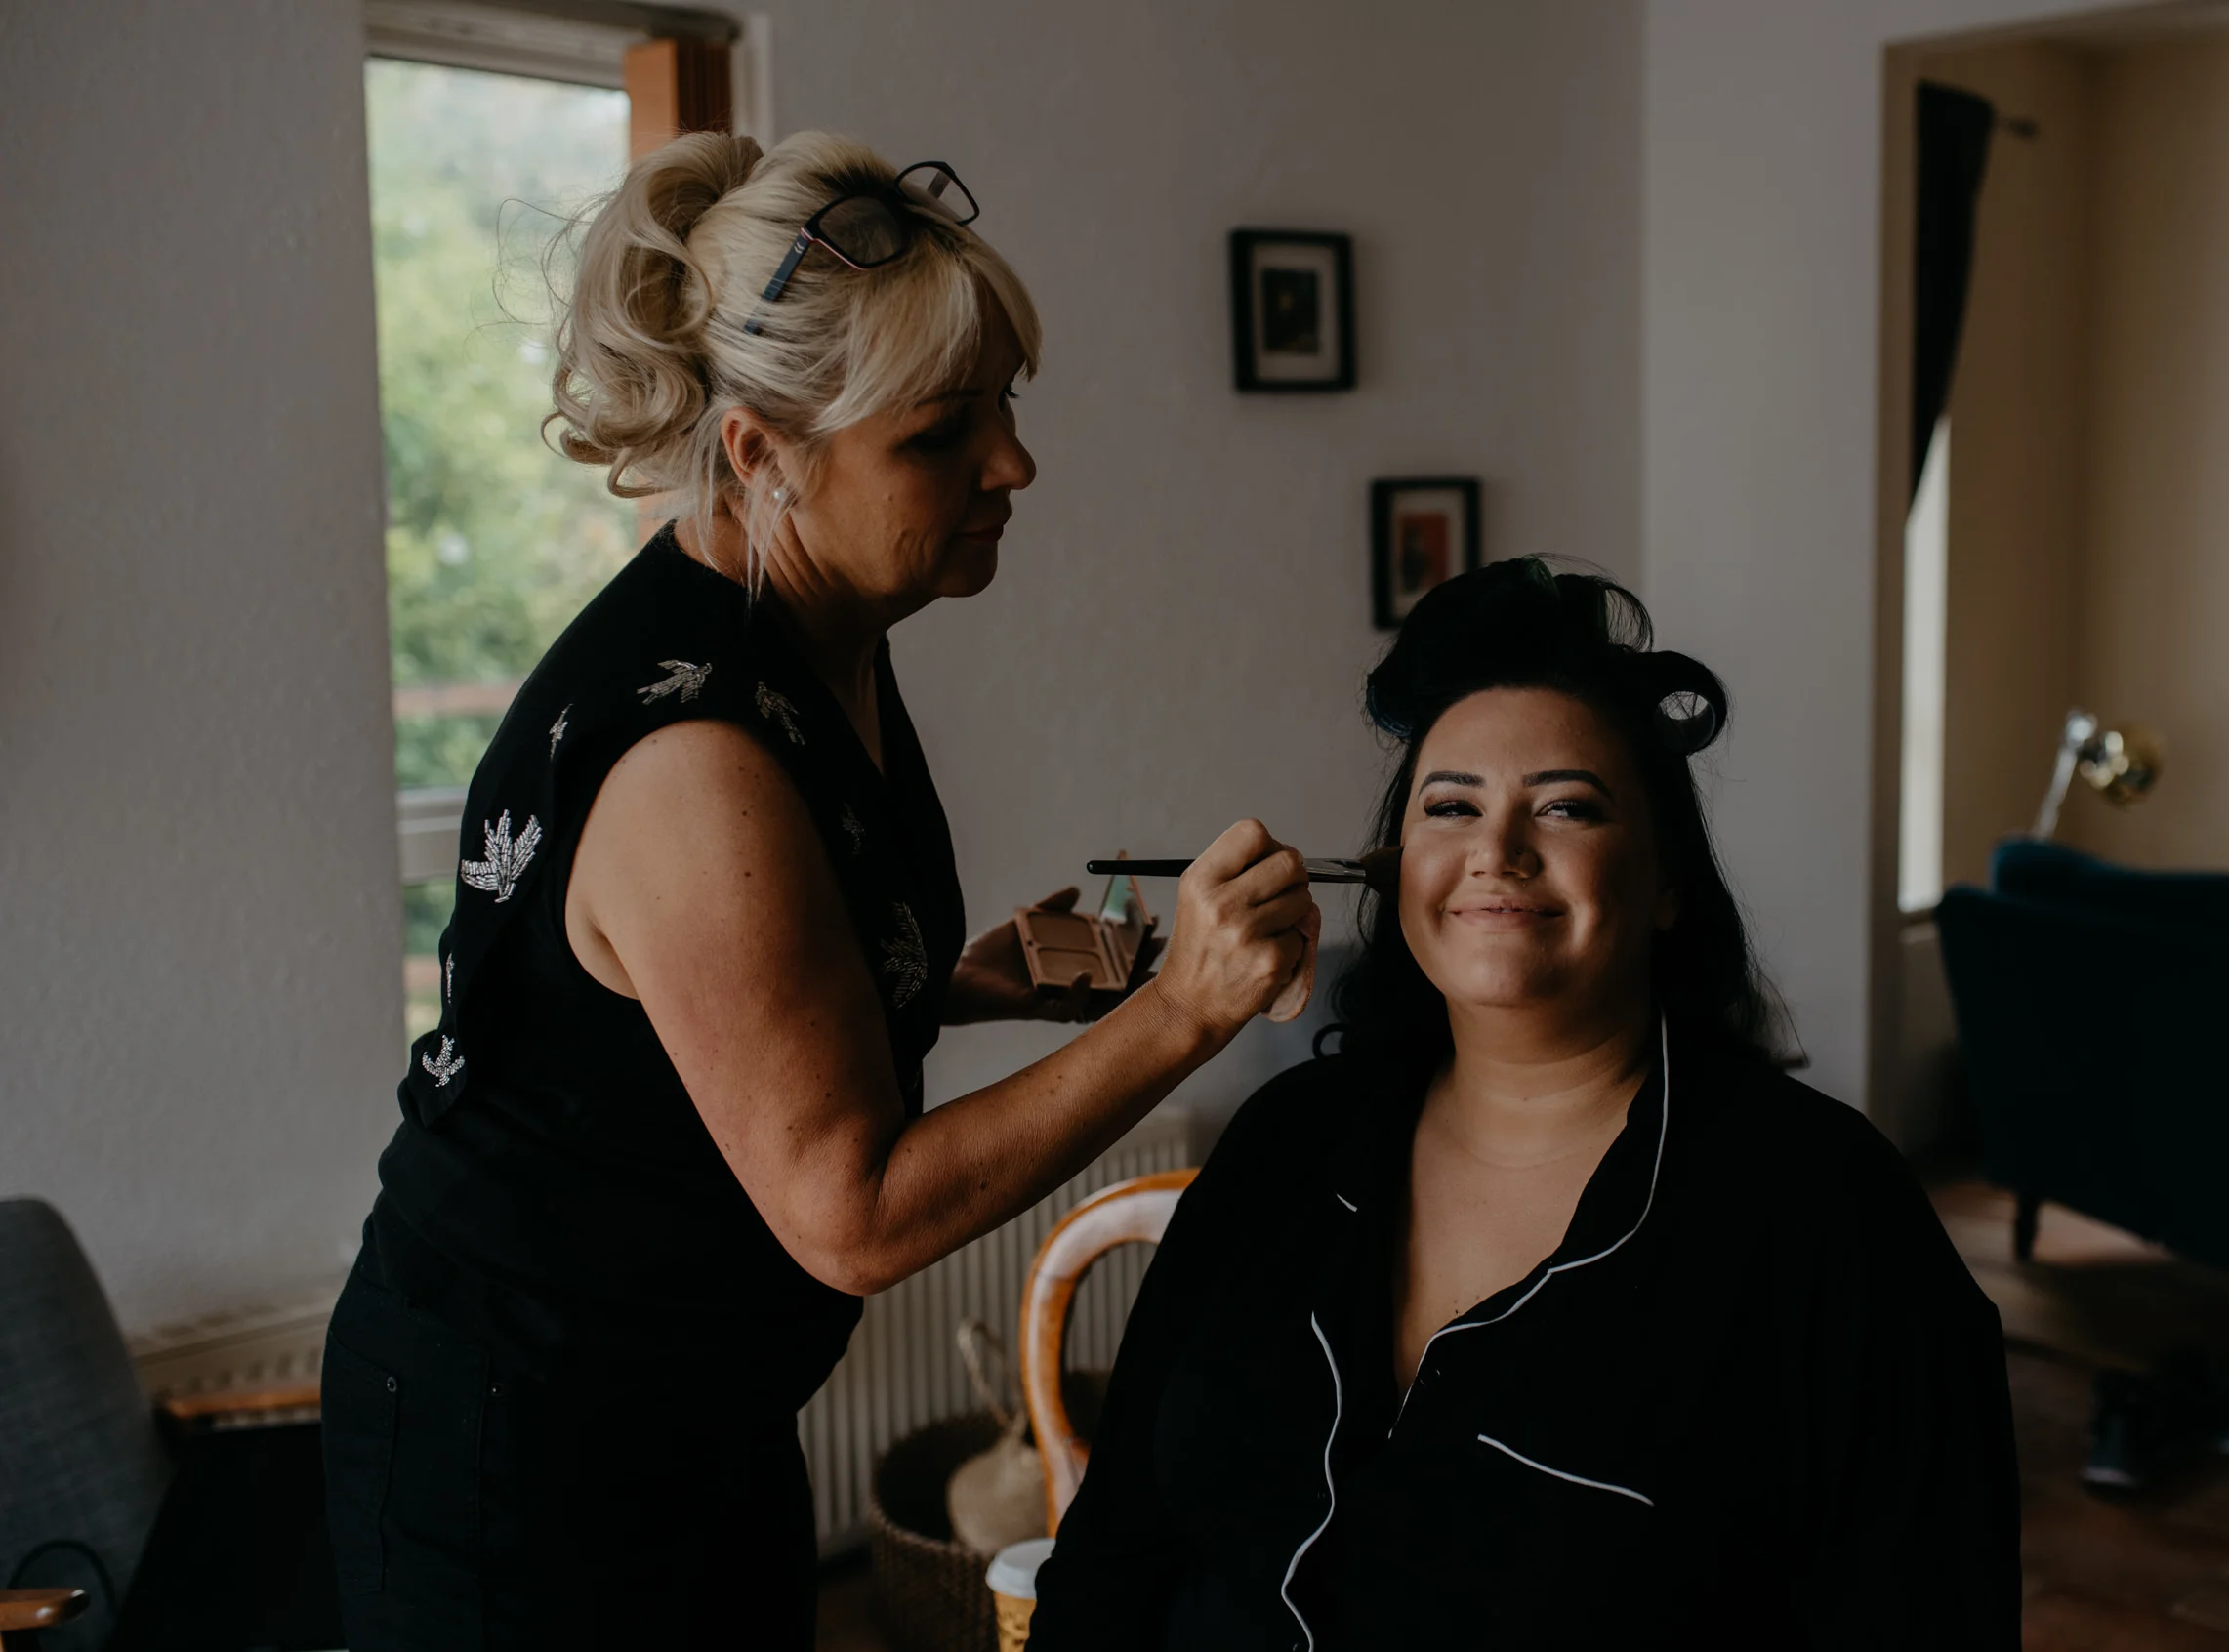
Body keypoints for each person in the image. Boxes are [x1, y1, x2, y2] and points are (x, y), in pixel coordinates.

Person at [321, 131, 1318, 1650]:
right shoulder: (693, 762)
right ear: (761, 455)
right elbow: (849, 1214)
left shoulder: (828, 623)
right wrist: (1184, 1014)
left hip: (694, 1408)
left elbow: (713, 1005)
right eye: (942, 434)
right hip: (521, 1448)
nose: (1014, 466)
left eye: (1007, 409)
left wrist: (958, 977)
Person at [1027, 558, 2020, 1650]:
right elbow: (1117, 1546)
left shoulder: (1829, 1220)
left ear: (1667, 884)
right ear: (1392, 866)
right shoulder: (1290, 1142)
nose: (1495, 853)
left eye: (1566, 807)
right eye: (1449, 806)